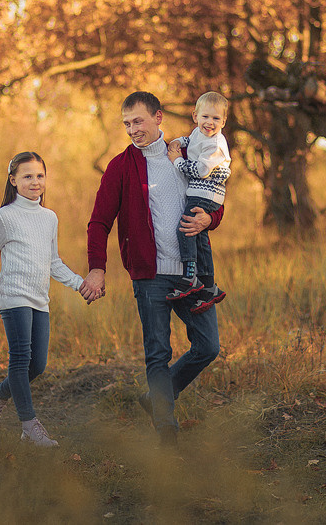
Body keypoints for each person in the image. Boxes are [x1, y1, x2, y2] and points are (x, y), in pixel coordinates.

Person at [82, 91, 223, 446]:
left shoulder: (188, 153)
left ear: (158, 118)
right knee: (158, 352)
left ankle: (156, 399)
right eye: (127, 124)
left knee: (208, 346)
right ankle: (166, 431)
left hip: (192, 273)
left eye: (138, 121)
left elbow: (214, 195)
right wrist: (97, 268)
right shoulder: (120, 166)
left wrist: (211, 218)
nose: (132, 129)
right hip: (150, 274)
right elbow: (99, 222)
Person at [0, 152, 87, 448]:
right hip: (13, 296)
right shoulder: (5, 216)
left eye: (39, 176)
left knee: (37, 365)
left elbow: (53, 261)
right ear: (13, 181)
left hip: (40, 298)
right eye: (27, 176)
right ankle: (29, 426)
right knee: (21, 358)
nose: (35, 182)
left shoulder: (49, 217)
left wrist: (80, 284)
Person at [165, 91, 231, 312]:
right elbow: (191, 140)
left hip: (206, 193)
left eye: (216, 119)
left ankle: (190, 276)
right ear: (195, 116)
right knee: (200, 238)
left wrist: (177, 161)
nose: (209, 123)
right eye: (205, 117)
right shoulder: (198, 133)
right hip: (201, 193)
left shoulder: (216, 144)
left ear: (223, 121)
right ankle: (210, 287)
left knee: (186, 230)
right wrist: (177, 141)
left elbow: (201, 169)